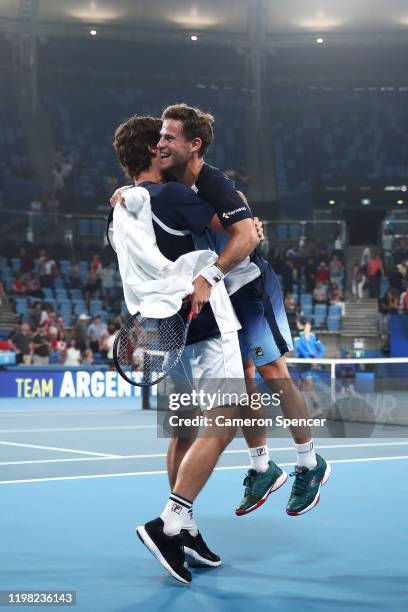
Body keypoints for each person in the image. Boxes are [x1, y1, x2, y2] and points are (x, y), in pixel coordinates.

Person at [114, 108, 330, 519]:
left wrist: (213, 273)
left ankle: (309, 462)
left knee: (274, 375)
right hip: (221, 298)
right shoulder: (170, 184)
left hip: (247, 286)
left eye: (169, 138)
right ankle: (263, 467)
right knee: (242, 381)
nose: (162, 143)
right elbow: (152, 192)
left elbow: (246, 230)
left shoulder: (212, 181)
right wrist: (128, 192)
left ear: (192, 145)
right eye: (159, 138)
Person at [112, 115, 257, 582]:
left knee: (184, 428)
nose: (167, 146)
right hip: (203, 315)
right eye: (163, 142)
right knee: (231, 412)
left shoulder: (122, 208)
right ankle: (172, 520)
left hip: (164, 326)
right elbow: (242, 227)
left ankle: (185, 527)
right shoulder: (173, 195)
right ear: (155, 152)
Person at [294, 317, 325, 415]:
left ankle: (317, 408)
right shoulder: (313, 335)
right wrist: (315, 359)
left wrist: (309, 359)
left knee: (308, 387)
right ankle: (301, 409)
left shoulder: (297, 334)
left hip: (304, 362)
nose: (296, 324)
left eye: (297, 322)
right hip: (304, 362)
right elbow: (322, 350)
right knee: (299, 387)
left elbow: (298, 346)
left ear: (300, 323)